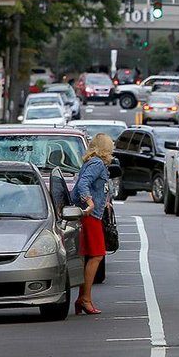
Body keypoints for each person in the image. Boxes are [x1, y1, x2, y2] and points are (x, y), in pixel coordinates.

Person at [71, 133, 113, 315]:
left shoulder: (93, 163)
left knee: (89, 256)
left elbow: (95, 186)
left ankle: (83, 297)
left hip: (91, 215)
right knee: (96, 255)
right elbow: (83, 184)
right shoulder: (97, 163)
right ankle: (85, 298)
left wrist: (104, 200)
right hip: (90, 216)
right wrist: (89, 202)